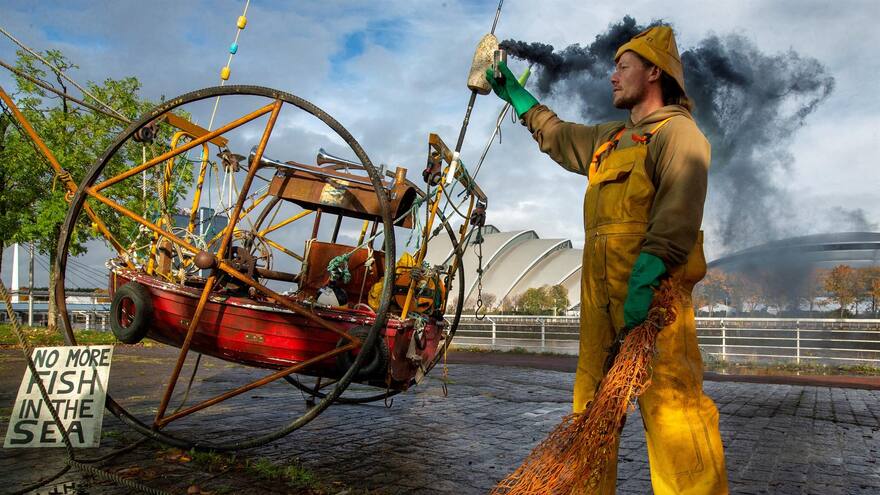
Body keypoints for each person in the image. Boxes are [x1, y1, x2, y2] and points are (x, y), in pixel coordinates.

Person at [486, 26, 729, 494]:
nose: (612, 76)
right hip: (599, 301)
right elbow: (558, 136)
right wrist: (516, 96)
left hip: (653, 305)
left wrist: (646, 278)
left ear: (654, 72)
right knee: (590, 412)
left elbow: (678, 212)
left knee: (674, 412)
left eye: (623, 66)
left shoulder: (677, 133)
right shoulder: (611, 139)